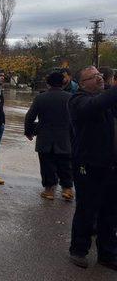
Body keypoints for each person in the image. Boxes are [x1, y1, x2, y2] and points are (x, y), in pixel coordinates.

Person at [68, 66, 117, 270]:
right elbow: (95, 105)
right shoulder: (77, 100)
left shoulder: (106, 99)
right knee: (87, 209)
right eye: (94, 77)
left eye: (100, 76)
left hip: (110, 165)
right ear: (82, 83)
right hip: (87, 165)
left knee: (110, 212)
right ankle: (78, 250)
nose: (99, 79)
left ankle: (107, 254)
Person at [24, 72, 73, 200]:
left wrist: (29, 132)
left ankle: (49, 190)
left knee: (47, 164)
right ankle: (67, 189)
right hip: (64, 138)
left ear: (48, 83)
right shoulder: (70, 98)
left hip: (45, 137)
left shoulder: (41, 98)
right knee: (65, 164)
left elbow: (30, 117)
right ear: (63, 83)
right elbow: (76, 119)